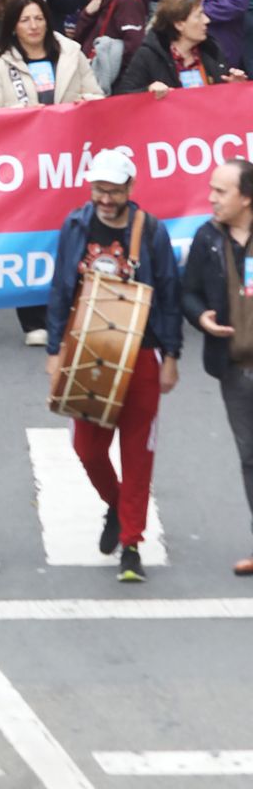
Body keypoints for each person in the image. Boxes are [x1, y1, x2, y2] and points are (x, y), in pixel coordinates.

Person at [45, 147, 183, 584]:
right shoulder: (75, 224)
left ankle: (132, 543)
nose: (104, 199)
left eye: (114, 191)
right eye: (98, 190)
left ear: (130, 188)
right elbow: (60, 287)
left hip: (140, 350)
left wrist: (172, 356)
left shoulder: (151, 230)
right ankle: (116, 503)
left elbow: (169, 291)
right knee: (87, 448)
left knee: (138, 450)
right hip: (87, 350)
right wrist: (54, 351)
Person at [180, 159, 253, 575]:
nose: (211, 198)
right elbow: (188, 293)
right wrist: (201, 318)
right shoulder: (208, 238)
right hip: (235, 368)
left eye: (221, 191)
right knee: (250, 458)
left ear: (246, 197)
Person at [116, 0, 243, 93]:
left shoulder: (211, 50)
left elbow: (220, 96)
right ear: (179, 24)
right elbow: (124, 96)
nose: (206, 20)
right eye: (199, 15)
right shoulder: (149, 54)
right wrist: (148, 91)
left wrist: (233, 86)